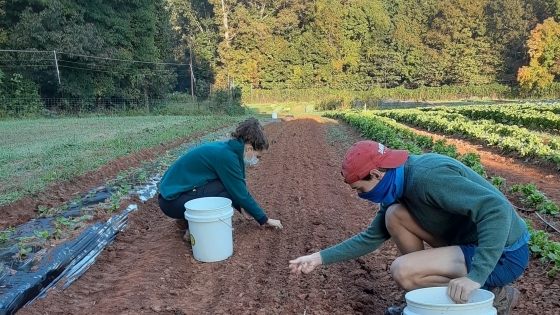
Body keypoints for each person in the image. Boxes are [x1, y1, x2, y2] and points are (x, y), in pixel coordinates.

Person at [289, 140, 529, 315]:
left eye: (360, 190)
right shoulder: (396, 188)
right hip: (467, 244)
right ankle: (427, 297)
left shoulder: (427, 177)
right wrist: (319, 258)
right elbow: (371, 237)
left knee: (403, 271)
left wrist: (477, 275)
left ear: (375, 174)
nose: (361, 196)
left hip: (504, 254)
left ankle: (493, 296)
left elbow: (497, 209)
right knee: (394, 216)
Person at [158, 118, 283, 239]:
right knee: (224, 188)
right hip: (172, 201)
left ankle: (188, 220)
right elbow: (240, 193)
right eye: (258, 156)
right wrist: (264, 220)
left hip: (176, 195)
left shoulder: (229, 149)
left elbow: (236, 188)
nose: (257, 160)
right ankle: (195, 228)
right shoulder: (227, 156)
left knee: (225, 186)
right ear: (249, 148)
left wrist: (240, 207)